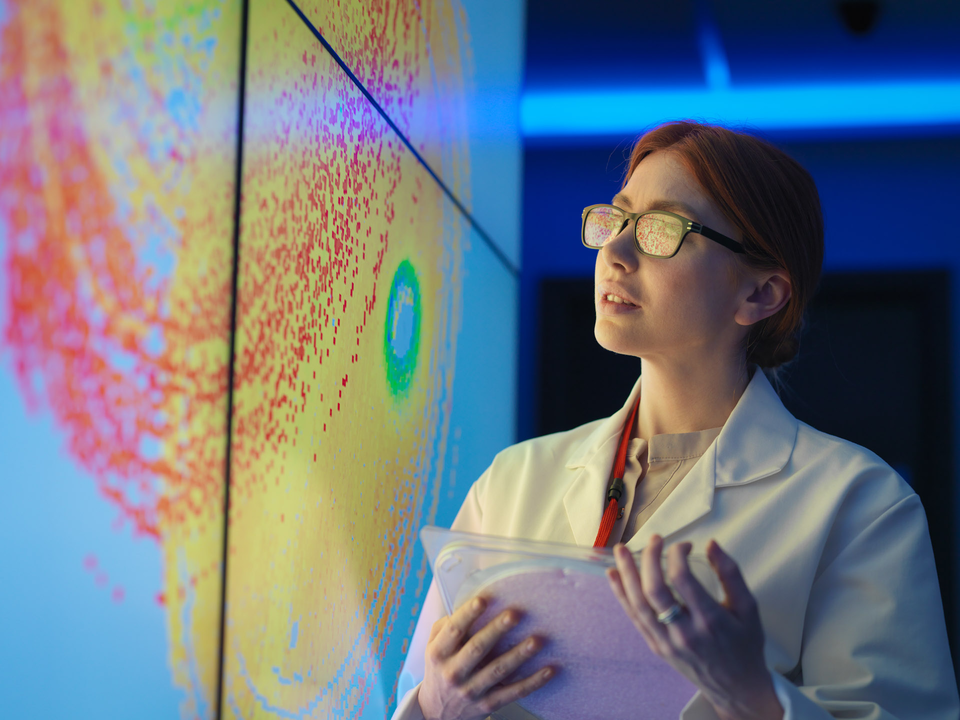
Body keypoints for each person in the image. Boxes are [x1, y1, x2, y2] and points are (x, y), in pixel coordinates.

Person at [390, 121, 960, 720]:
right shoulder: (512, 482)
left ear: (760, 295)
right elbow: (413, 696)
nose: (614, 254)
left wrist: (753, 696)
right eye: (616, 219)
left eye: (662, 229)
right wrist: (435, 705)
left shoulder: (859, 504)